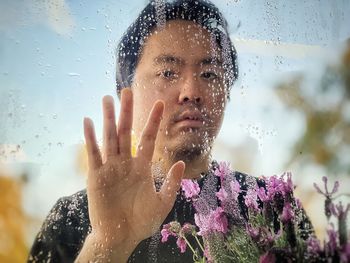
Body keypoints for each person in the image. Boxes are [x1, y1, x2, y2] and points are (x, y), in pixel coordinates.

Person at [28, 1, 311, 262]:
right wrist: (108, 241)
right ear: (126, 92)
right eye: (167, 73)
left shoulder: (272, 207)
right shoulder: (71, 219)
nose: (191, 92)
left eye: (210, 75)